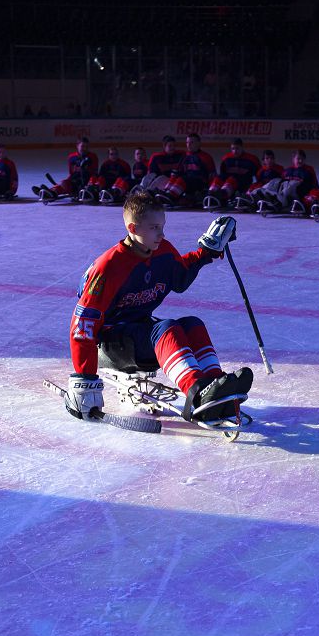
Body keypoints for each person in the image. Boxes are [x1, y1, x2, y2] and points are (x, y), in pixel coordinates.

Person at [66, 191, 252, 423]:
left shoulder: (163, 250)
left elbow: (180, 278)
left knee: (192, 324)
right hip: (110, 344)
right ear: (133, 228)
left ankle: (216, 387)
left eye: (162, 226)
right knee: (167, 328)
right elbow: (84, 324)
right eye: (154, 228)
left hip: (139, 332)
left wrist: (207, 252)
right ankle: (197, 392)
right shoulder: (108, 267)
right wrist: (84, 378)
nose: (161, 234)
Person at [35, 136, 97, 204]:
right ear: (77, 146)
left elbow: (94, 172)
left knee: (68, 186)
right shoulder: (72, 157)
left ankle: (51, 192)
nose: (85, 149)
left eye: (86, 147)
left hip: (86, 181)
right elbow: (71, 173)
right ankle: (51, 192)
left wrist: (90, 183)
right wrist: (66, 181)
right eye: (82, 146)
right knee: (65, 184)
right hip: (75, 181)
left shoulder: (92, 157)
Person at [159, 132, 215, 207]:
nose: (189, 145)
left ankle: (170, 197)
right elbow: (179, 171)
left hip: (200, 183)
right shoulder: (185, 156)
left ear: (198, 143)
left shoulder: (206, 157)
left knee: (182, 179)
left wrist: (210, 192)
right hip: (187, 182)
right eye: (187, 142)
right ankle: (165, 193)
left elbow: (212, 176)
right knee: (175, 177)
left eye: (192, 142)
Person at [205, 137, 261, 210]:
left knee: (232, 180)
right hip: (228, 182)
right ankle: (211, 193)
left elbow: (258, 175)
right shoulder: (226, 158)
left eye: (237, 148)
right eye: (233, 149)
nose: (235, 151)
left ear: (242, 147)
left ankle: (221, 195)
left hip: (243, 183)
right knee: (218, 179)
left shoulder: (252, 159)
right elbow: (223, 174)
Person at [257, 150, 317, 215]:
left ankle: (278, 203)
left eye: (302, 159)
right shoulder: (288, 170)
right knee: (275, 182)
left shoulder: (308, 170)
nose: (300, 161)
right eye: (298, 159)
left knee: (291, 185)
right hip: (286, 192)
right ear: (293, 159)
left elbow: (314, 184)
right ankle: (263, 197)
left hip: (299, 193)